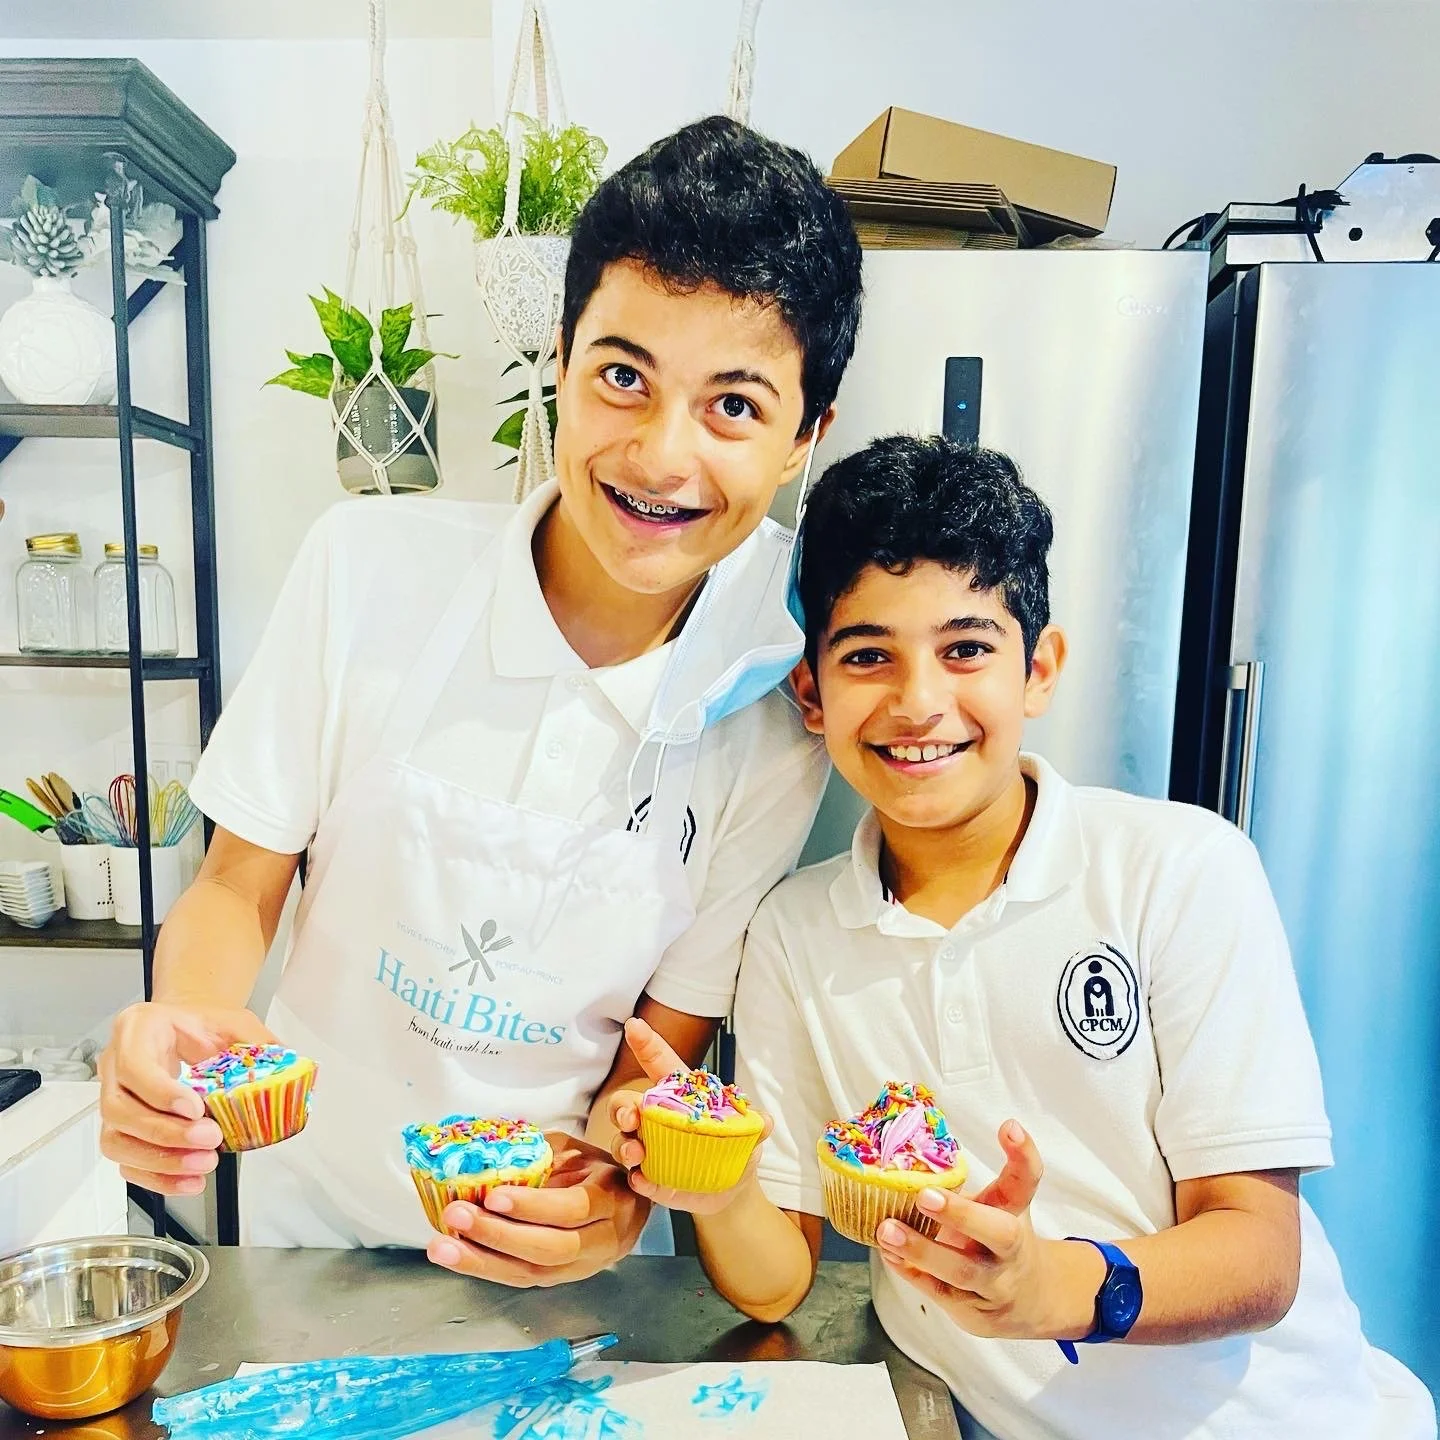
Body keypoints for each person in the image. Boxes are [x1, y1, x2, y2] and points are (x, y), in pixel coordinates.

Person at [97, 116, 863, 1280]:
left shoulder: (774, 708)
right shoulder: (365, 569)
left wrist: (611, 1196)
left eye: (735, 407)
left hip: (548, 1264)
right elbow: (235, 886)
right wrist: (180, 1024)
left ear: (807, 435)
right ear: (558, 358)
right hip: (303, 1239)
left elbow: (662, 1039)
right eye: (623, 377)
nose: (662, 457)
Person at [610, 436, 1435, 1438]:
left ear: (1038, 669)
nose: (919, 701)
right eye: (868, 655)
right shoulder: (792, 936)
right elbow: (777, 1281)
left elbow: (1261, 1255)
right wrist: (714, 1177)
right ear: (812, 695)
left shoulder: (1179, 869)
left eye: (965, 650)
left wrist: (1053, 1286)